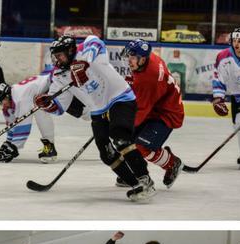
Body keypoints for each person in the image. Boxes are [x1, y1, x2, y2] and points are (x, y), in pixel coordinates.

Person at [36, 35, 154, 201]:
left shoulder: (86, 51)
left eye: (60, 55)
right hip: (98, 110)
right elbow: (59, 108)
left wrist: (84, 64)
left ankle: (145, 179)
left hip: (120, 97)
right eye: (55, 56)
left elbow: (95, 41)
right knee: (106, 153)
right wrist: (48, 105)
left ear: (71, 51)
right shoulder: (59, 75)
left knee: (121, 138)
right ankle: (134, 184)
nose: (57, 59)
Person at [123, 39, 185, 187]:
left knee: (140, 146)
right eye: (128, 56)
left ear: (142, 58)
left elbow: (141, 111)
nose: (129, 61)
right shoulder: (149, 59)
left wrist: (122, 124)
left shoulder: (149, 79)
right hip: (155, 107)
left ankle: (172, 163)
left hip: (166, 114)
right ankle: (136, 172)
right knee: (127, 141)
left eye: (132, 57)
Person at [0, 76, 58, 163]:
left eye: (2, 101)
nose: (3, 105)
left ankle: (50, 146)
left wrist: (14, 146)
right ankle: (50, 146)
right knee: (80, 111)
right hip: (50, 87)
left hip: (56, 85)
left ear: (7, 96)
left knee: (39, 107)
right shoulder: (12, 97)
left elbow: (24, 125)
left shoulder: (21, 99)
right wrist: (9, 142)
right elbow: (12, 123)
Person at [212, 27, 240, 169]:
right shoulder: (223, 56)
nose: (236, 43)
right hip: (237, 96)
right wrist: (218, 98)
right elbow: (218, 79)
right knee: (239, 124)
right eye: (234, 40)